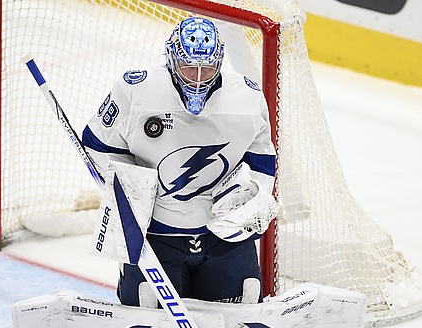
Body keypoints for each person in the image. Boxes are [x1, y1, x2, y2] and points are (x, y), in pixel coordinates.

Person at [82, 16, 278, 306]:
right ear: (172, 60)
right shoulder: (135, 90)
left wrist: (252, 198)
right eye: (189, 68)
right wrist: (132, 189)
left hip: (224, 239)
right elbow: (97, 144)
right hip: (154, 235)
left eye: (207, 69)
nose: (198, 79)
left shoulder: (247, 97)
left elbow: (262, 158)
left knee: (243, 305)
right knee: (146, 311)